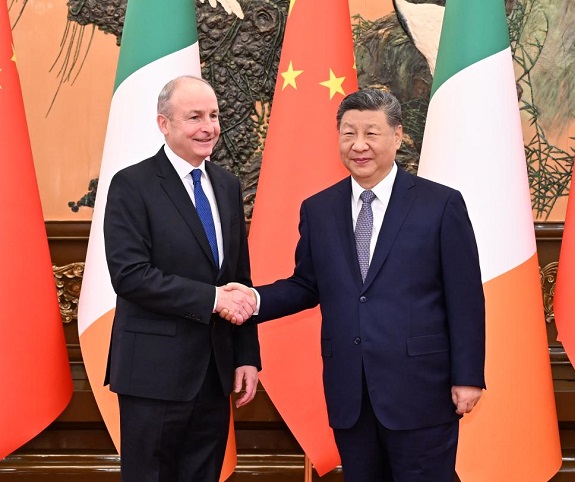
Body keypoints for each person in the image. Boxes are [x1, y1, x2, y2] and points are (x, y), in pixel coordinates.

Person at [224, 89, 485, 481]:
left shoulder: (440, 204)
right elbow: (306, 285)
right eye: (348, 134)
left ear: (397, 136)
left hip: (421, 391)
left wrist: (468, 376)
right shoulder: (319, 209)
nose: (358, 145)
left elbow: (465, 299)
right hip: (351, 394)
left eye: (371, 133)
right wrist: (254, 300)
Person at [103, 75, 260, 482]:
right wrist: (213, 299)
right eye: (195, 117)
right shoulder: (131, 185)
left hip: (214, 373)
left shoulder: (226, 185)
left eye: (214, 115)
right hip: (152, 375)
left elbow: (239, 278)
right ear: (164, 123)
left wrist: (246, 355)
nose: (209, 127)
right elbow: (130, 275)